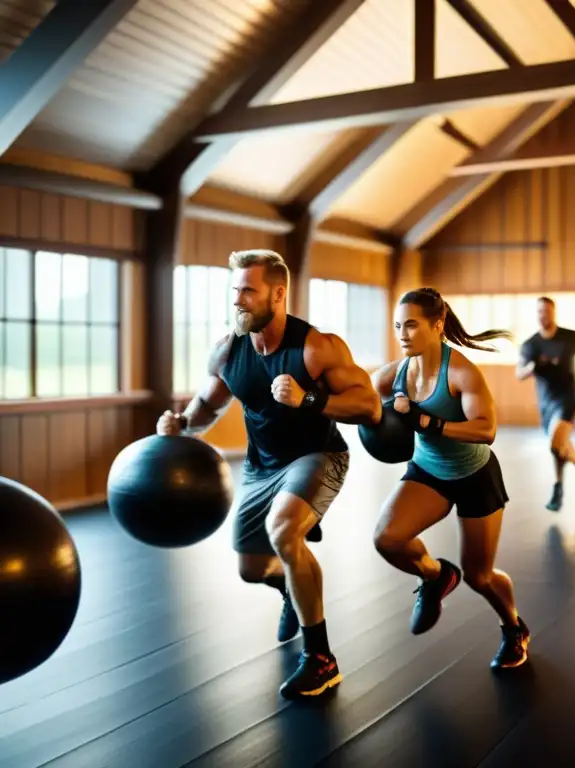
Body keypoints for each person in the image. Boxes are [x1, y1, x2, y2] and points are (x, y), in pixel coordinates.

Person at [156, 249, 381, 699]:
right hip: (262, 468)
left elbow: (369, 407)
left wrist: (309, 400)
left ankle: (321, 658)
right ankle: (291, 595)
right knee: (252, 568)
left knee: (283, 532)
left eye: (248, 291)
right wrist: (180, 425)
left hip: (318, 456)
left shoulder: (317, 347)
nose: (238, 300)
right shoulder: (229, 350)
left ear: (278, 294)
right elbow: (208, 405)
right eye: (234, 291)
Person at [370, 287, 530, 670]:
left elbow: (486, 429)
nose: (403, 334)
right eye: (398, 326)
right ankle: (436, 575)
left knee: (479, 575)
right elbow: (358, 401)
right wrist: (307, 398)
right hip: (428, 471)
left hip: (475, 475)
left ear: (437, 324)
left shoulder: (460, 372)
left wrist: (429, 422)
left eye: (411, 325)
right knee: (387, 538)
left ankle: (513, 628)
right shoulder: (394, 374)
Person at [515, 297, 575, 511]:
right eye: (540, 311)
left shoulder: (570, 338)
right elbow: (519, 373)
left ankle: (558, 488)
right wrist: (530, 368)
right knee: (561, 445)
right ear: (537, 314)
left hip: (571, 397)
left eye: (547, 311)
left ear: (554, 313)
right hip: (546, 402)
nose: (544, 315)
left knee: (555, 443)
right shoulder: (531, 345)